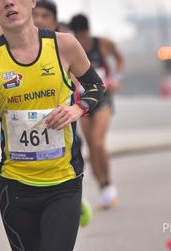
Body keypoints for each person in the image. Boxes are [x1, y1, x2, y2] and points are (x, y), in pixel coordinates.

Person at [0, 0, 106, 251]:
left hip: (63, 182)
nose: (7, 1)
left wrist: (76, 109)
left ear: (30, 0)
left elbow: (97, 88)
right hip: (15, 187)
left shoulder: (64, 46)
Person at [69, 13, 125, 210]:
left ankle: (108, 183)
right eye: (77, 35)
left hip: (103, 99)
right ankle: (103, 188)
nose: (82, 40)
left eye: (83, 35)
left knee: (99, 142)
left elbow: (120, 59)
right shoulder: (72, 47)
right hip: (83, 102)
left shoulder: (103, 44)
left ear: (88, 31)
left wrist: (117, 78)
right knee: (91, 146)